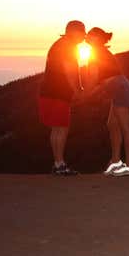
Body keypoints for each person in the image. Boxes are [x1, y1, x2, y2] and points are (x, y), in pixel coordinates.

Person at [85, 27, 129, 176]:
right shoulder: (98, 51)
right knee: (112, 125)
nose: (87, 36)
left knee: (125, 128)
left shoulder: (96, 52)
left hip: (121, 90)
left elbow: (93, 78)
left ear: (98, 38)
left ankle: (127, 167)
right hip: (119, 90)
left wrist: (83, 93)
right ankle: (115, 161)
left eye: (91, 35)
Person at [38, 20, 85, 175]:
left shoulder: (59, 44)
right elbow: (70, 70)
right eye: (82, 33)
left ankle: (58, 163)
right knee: (62, 128)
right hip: (59, 93)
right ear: (73, 32)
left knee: (56, 128)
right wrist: (78, 89)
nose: (83, 36)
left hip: (48, 91)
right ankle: (60, 165)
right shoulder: (68, 47)